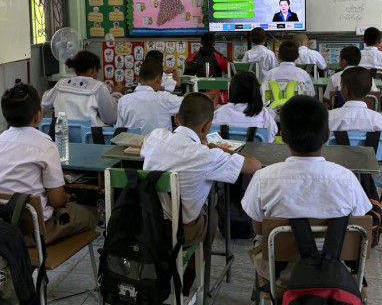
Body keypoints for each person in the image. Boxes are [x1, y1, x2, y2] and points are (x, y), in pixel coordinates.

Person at [241, 95, 371, 284]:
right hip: (333, 273)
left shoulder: (263, 178)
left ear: (283, 136)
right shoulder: (347, 178)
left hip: (280, 274)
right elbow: (357, 228)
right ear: (327, 136)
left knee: (261, 240)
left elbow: (259, 228)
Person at [142, 93, 261, 245]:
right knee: (213, 213)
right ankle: (199, 259)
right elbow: (255, 165)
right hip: (181, 231)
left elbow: (144, 148)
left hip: (147, 223)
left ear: (177, 119)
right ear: (207, 126)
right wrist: (214, 147)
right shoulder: (208, 156)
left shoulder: (155, 136)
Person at [0, 82, 98, 244]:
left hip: (0, 228)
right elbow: (57, 201)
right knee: (90, 213)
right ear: (38, 115)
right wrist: (64, 197)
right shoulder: (44, 144)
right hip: (34, 232)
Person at [42, 51, 119, 126]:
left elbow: (43, 104)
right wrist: (116, 94)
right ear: (93, 69)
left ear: (76, 70)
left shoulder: (60, 85)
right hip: (90, 133)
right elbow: (111, 118)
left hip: (62, 132)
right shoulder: (99, 87)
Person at [328, 67, 382, 152]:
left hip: (334, 160)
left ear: (345, 90)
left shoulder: (329, 118)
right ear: (369, 90)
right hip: (372, 160)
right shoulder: (380, 121)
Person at [116, 58, 185, 134]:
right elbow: (189, 102)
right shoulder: (165, 98)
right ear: (159, 79)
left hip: (131, 141)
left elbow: (119, 131)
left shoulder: (123, 101)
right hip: (159, 142)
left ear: (138, 79)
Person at [212, 71, 278, 138]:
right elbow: (270, 136)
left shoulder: (218, 113)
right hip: (255, 145)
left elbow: (211, 137)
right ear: (255, 91)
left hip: (224, 145)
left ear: (232, 89)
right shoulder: (263, 114)